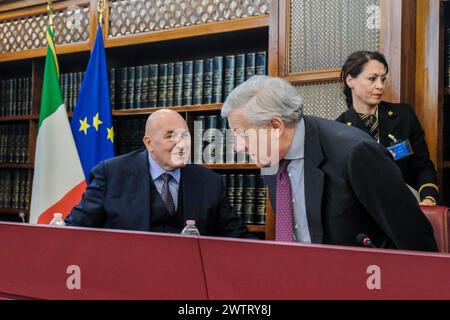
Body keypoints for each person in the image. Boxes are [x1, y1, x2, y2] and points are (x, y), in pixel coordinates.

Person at [221, 75, 437, 252]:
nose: (239, 147)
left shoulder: (355, 153)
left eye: (242, 135)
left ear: (276, 126)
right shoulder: (271, 157)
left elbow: (415, 239)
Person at [65, 109, 253, 238]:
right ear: (148, 143)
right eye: (170, 136)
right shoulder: (111, 174)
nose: (181, 143)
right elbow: (76, 227)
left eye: (185, 135)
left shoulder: (210, 182)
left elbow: (236, 236)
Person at [336, 51, 439, 206]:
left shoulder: (404, 115)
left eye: (383, 79)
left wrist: (429, 199)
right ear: (350, 80)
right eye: (372, 79)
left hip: (409, 205)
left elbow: (423, 166)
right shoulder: (339, 129)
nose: (380, 86)